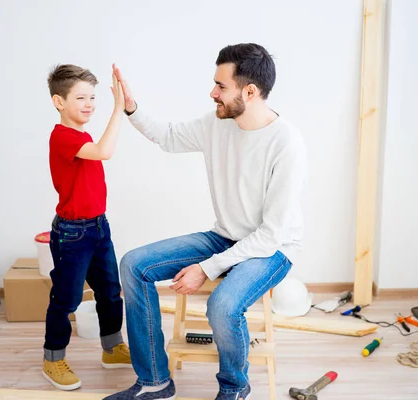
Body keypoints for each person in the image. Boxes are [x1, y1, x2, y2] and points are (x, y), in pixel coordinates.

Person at [104, 43, 307, 400]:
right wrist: (131, 108)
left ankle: (233, 389)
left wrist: (207, 268)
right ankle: (155, 382)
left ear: (250, 92)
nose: (212, 93)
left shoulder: (286, 143)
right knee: (134, 264)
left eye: (220, 86)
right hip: (225, 236)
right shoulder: (217, 124)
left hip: (272, 249)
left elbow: (270, 235)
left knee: (223, 305)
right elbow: (167, 136)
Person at [42, 64, 132, 391]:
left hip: (98, 229)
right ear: (58, 102)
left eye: (93, 97)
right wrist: (118, 109)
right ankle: (52, 360)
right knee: (66, 300)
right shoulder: (63, 136)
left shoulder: (82, 134)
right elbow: (105, 152)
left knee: (110, 292)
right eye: (80, 97)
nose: (89, 104)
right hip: (72, 234)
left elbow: (98, 151)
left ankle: (112, 348)